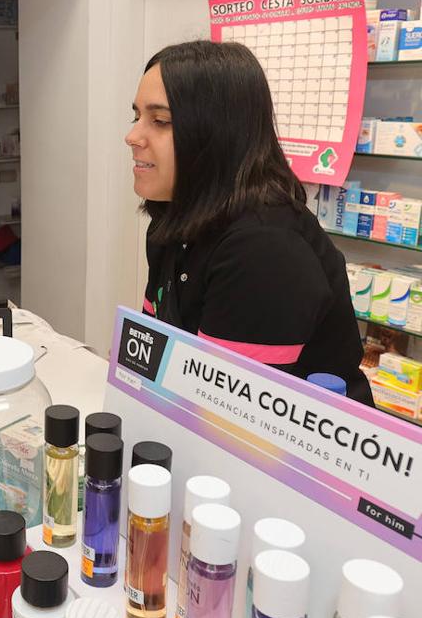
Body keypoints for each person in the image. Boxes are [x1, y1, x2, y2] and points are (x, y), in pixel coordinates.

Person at [126, 40, 373, 405]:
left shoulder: (261, 249)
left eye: (160, 121)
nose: (132, 136)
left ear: (217, 133)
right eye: (137, 116)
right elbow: (154, 354)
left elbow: (225, 413)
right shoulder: (171, 222)